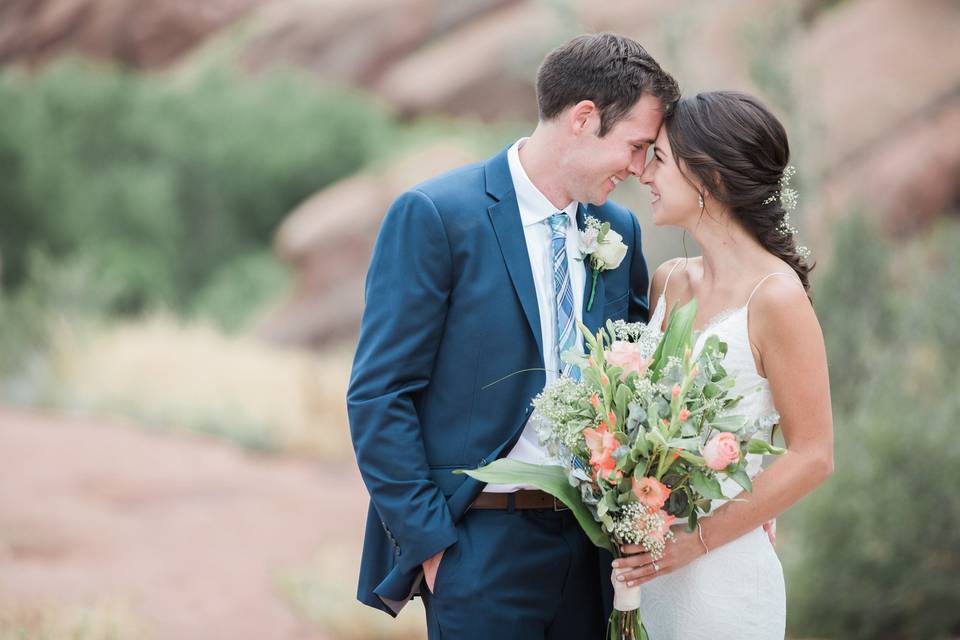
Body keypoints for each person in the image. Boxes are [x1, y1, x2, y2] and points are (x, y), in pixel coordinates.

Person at [346, 33, 679, 639]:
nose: (637, 169)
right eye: (635, 146)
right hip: (480, 546)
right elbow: (379, 394)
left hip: (592, 553)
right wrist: (433, 545)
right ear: (583, 119)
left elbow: (638, 386)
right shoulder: (438, 215)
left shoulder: (618, 230)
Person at [616, 91, 835, 639]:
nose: (642, 171)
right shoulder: (667, 279)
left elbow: (813, 455)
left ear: (708, 179)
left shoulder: (776, 299)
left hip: (722, 577)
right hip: (645, 573)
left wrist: (695, 542)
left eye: (660, 159)